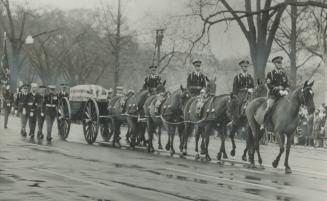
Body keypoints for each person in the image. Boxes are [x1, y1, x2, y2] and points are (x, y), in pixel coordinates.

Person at [263, 56, 289, 126]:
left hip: (283, 96)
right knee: (269, 107)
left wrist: (286, 90)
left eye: (281, 62)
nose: (280, 64)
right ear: (274, 64)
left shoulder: (284, 74)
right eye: (278, 63)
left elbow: (287, 84)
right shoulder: (270, 74)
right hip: (273, 96)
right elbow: (269, 85)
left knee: (291, 105)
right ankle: (264, 123)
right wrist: (278, 90)